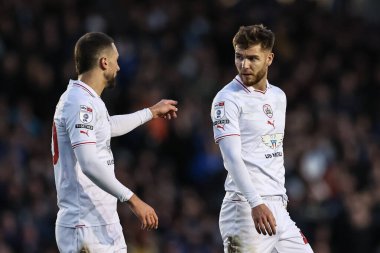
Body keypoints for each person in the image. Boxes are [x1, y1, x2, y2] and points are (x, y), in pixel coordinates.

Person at [51, 32, 178, 253]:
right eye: (116, 60)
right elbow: (89, 163)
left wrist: (151, 112)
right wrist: (133, 200)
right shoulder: (79, 103)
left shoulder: (86, 100)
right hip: (85, 226)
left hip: (102, 223)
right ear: (104, 62)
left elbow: (107, 127)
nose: (118, 67)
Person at [210, 24, 314, 252]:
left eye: (252, 58)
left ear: (269, 58)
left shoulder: (278, 96)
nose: (244, 65)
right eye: (239, 57)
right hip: (246, 209)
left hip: (278, 208)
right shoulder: (227, 100)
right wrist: (256, 202)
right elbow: (231, 158)